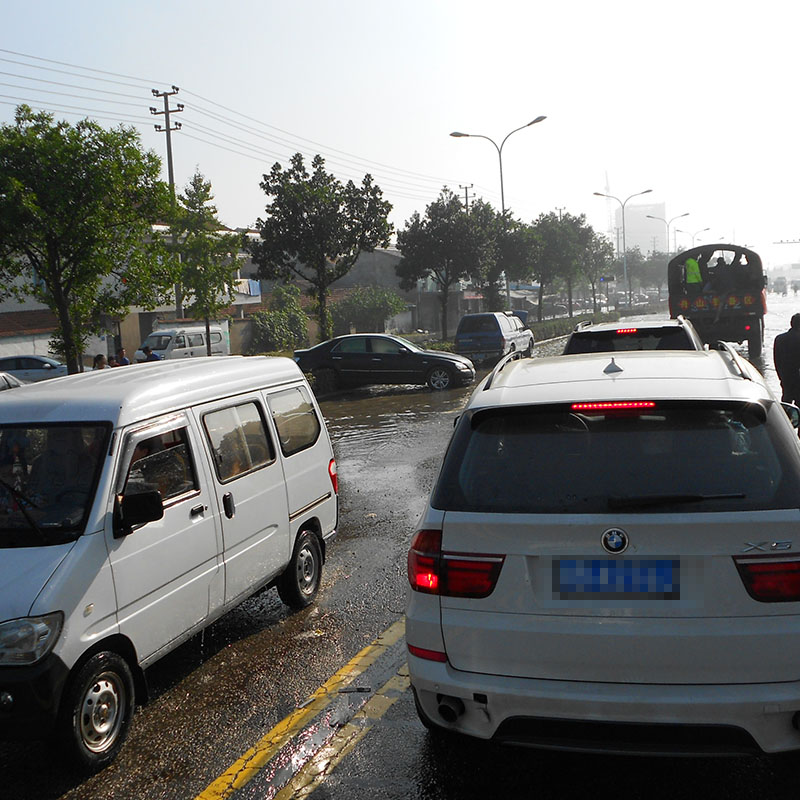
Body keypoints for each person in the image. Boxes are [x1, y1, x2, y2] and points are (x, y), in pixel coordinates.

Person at [774, 313, 800, 404]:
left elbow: (776, 361)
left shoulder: (779, 339)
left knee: (786, 403)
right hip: (798, 378)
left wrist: (781, 377)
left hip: (786, 377)